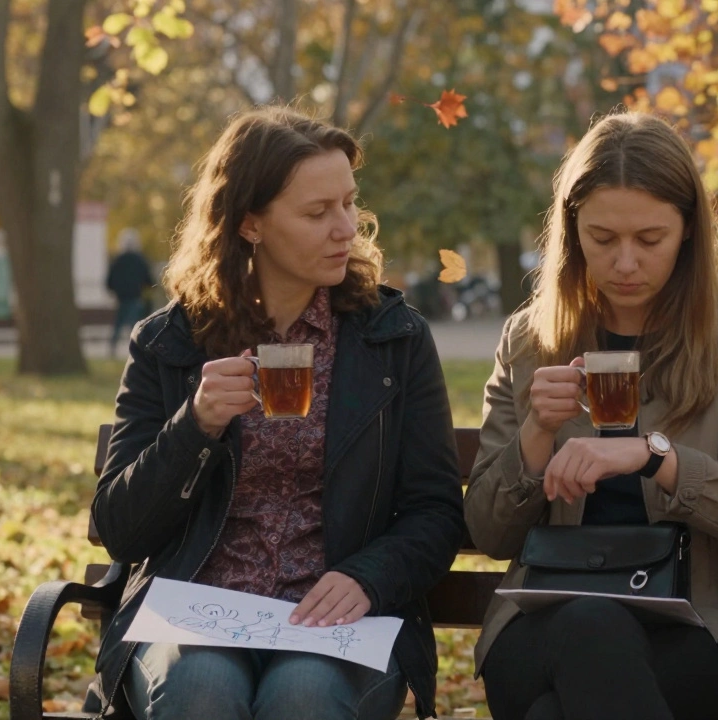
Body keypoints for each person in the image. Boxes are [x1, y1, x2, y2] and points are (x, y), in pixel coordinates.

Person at [85, 107, 465, 720]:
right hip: (197, 615)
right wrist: (197, 423)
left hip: (335, 619)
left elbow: (436, 510)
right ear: (250, 224)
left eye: (349, 203)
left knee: (303, 696)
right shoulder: (171, 342)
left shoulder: (391, 338)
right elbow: (123, 529)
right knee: (202, 689)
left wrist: (368, 578)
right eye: (318, 213)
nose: (346, 228)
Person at [463, 111, 718, 720]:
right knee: (590, 627)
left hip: (710, 629)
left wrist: (658, 459)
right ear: (572, 233)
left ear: (688, 233)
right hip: (545, 620)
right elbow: (489, 534)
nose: (625, 263)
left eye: (650, 240)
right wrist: (536, 434)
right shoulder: (529, 342)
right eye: (603, 239)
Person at [106, 227, 156, 355]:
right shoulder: (140, 260)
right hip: (135, 296)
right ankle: (137, 350)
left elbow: (110, 280)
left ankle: (112, 348)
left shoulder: (118, 260)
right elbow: (148, 280)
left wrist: (114, 289)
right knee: (134, 325)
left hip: (121, 297)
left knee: (118, 324)